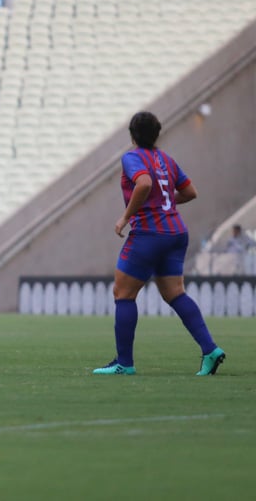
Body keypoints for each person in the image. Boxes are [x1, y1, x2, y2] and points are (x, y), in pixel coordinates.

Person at [93, 111, 225, 376]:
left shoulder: (132, 158)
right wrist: (164, 202)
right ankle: (210, 350)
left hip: (148, 234)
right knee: (175, 293)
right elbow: (190, 192)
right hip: (176, 232)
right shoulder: (166, 159)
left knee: (123, 294)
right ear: (157, 134)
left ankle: (124, 363)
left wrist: (125, 217)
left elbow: (143, 183)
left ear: (132, 135)